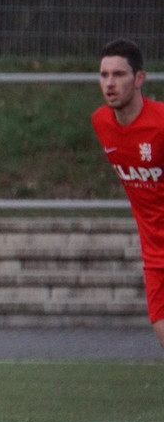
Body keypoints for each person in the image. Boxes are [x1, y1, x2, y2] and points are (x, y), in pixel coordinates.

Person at [92, 39, 164, 350]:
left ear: (139, 79)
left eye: (119, 74)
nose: (110, 83)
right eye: (104, 75)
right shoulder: (101, 122)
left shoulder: (160, 124)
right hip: (154, 254)